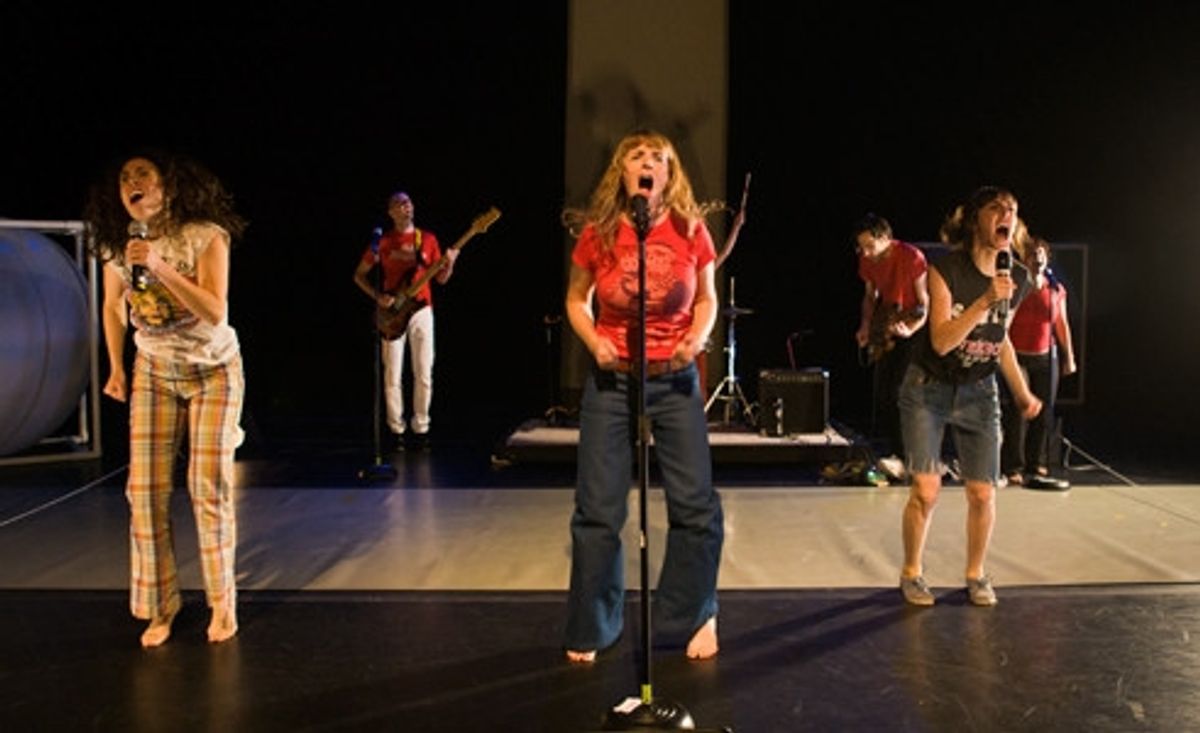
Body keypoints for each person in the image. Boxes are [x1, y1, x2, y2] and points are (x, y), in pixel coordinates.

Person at [562, 129, 723, 662]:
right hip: (613, 380)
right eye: (637, 157)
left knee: (694, 505)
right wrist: (594, 342)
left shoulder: (690, 229)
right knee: (598, 508)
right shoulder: (600, 232)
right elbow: (576, 298)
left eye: (658, 158)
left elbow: (707, 298)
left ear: (669, 175)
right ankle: (593, 624)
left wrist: (696, 338)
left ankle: (694, 615)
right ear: (623, 173)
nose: (647, 163)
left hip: (674, 379)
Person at [84, 150, 247, 647]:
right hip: (154, 370)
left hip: (213, 370)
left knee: (206, 486)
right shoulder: (120, 244)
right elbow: (113, 305)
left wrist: (158, 265)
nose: (131, 183)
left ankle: (222, 602)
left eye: (142, 174)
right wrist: (116, 367)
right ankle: (161, 605)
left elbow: (214, 309)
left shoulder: (205, 235)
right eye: (124, 178)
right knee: (144, 492)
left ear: (168, 186)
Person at [897, 186, 1043, 608]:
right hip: (928, 388)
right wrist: (984, 300)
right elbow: (941, 341)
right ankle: (912, 573)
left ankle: (976, 574)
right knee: (926, 489)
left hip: (980, 390)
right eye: (996, 208)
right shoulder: (945, 271)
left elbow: (1001, 338)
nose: (1006, 214)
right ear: (976, 219)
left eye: (1012, 209)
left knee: (983, 492)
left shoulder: (1018, 278)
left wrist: (1021, 392)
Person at [353, 191, 457, 452]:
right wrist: (378, 296)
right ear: (391, 212)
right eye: (400, 204)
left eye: (408, 202)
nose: (406, 207)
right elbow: (359, 275)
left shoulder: (427, 239)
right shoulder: (384, 242)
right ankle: (396, 429)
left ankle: (421, 428)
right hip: (394, 312)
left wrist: (450, 264)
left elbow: (441, 279)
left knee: (424, 372)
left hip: (422, 309)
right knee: (392, 373)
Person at [853, 213, 929, 482]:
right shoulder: (867, 259)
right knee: (884, 393)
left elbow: (924, 303)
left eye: (870, 245)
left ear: (885, 238)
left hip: (913, 325)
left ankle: (913, 458)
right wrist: (865, 326)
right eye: (861, 247)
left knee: (903, 392)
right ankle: (898, 454)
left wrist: (911, 328)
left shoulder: (911, 256)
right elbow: (870, 296)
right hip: (887, 324)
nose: (865, 252)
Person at [1000, 235, 1077, 490]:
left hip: (1045, 356)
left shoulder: (1056, 289)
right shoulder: (1016, 285)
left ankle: (1036, 464)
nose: (1037, 258)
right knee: (1018, 412)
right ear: (1024, 259)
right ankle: (1014, 466)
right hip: (1017, 356)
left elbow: (1061, 324)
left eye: (1041, 254)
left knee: (1044, 412)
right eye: (1032, 254)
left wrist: (1069, 357)